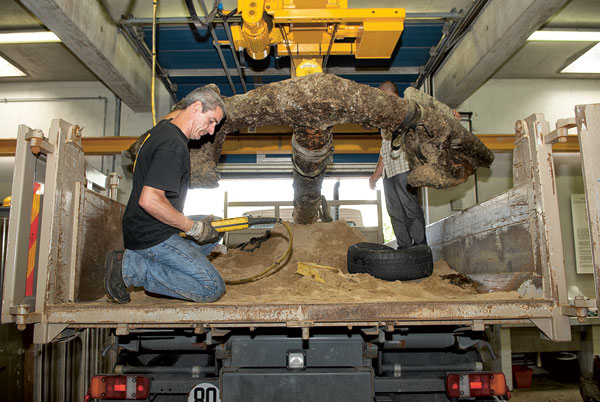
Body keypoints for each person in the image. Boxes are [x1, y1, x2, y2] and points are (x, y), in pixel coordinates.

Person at [104, 86, 226, 304]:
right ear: (196, 107)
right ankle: (131, 266)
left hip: (143, 225)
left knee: (217, 226)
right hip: (152, 236)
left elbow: (172, 115)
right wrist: (193, 228)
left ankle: (178, 263)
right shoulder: (172, 146)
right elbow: (149, 199)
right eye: (211, 121)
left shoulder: (164, 129)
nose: (211, 131)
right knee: (211, 288)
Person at [369, 81, 427, 250]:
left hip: (403, 167)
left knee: (409, 207)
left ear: (386, 92)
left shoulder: (407, 108)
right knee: (394, 212)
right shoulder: (385, 117)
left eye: (380, 95)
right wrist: (376, 175)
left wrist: (451, 113)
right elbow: (384, 149)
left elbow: (430, 115)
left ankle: (420, 245)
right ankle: (404, 246)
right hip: (389, 173)